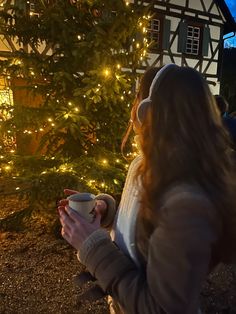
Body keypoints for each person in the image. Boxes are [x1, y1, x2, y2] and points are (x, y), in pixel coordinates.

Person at [58, 64, 236, 314]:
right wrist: (106, 211)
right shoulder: (150, 162)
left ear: (148, 110)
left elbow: (161, 308)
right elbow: (147, 218)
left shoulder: (188, 203)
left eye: (136, 96)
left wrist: (92, 245)